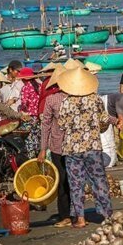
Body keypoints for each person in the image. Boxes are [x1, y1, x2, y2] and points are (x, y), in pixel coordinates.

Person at [56, 68, 114, 228]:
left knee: (76, 183)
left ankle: (80, 218)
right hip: (93, 146)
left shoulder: (66, 102)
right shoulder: (95, 100)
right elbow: (104, 121)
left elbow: (61, 124)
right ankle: (106, 215)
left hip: (71, 148)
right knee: (99, 180)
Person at [38, 66, 70, 226]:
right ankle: (66, 215)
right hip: (58, 147)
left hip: (72, 146)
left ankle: (72, 214)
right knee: (63, 180)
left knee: (71, 180)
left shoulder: (76, 97)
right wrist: (43, 149)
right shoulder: (52, 99)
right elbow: (46, 125)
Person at [17, 67, 42, 157]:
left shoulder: (26, 87)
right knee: (37, 138)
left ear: (24, 78)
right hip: (38, 117)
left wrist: (19, 110)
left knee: (29, 139)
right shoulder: (40, 86)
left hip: (29, 117)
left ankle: (31, 160)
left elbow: (24, 104)